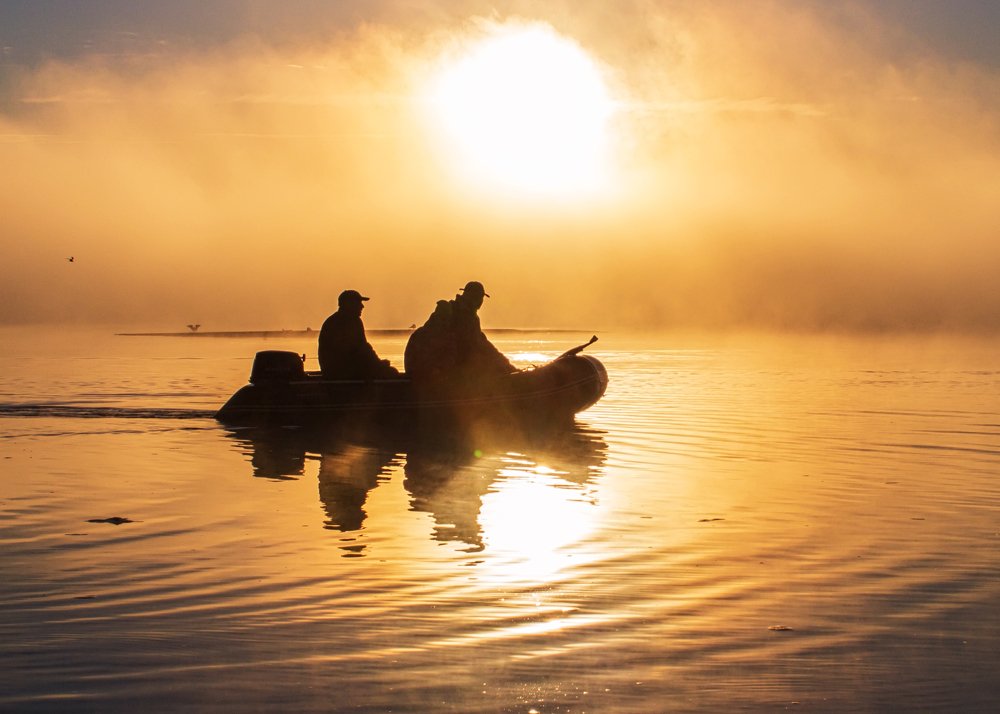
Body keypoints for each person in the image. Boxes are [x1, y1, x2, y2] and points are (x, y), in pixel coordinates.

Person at [404, 281, 515, 388]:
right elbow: (477, 346)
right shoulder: (455, 314)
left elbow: (484, 345)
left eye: (481, 298)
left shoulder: (469, 316)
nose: (480, 301)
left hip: (435, 369)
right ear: (471, 297)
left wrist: (508, 366)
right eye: (479, 297)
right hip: (433, 370)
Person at [318, 290, 400, 380]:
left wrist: (377, 363)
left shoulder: (351, 320)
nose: (362, 306)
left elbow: (363, 349)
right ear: (348, 304)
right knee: (391, 373)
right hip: (341, 372)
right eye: (358, 303)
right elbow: (361, 349)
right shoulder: (342, 322)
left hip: (343, 369)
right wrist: (378, 364)